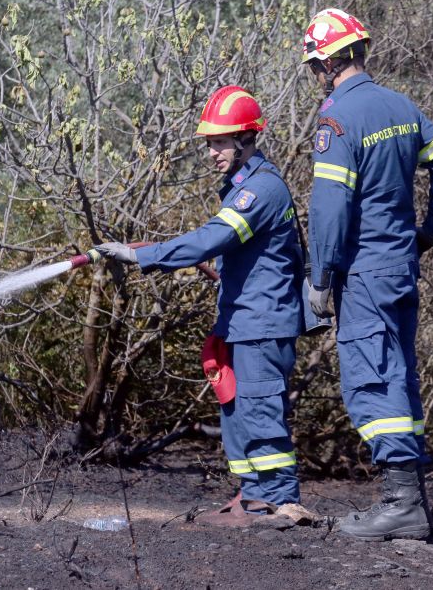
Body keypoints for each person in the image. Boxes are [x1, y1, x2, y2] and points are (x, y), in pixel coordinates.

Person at [97, 86, 305, 512]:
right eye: (209, 144)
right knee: (238, 415)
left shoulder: (261, 190)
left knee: (262, 416)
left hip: (262, 326)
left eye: (220, 143)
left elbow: (212, 239)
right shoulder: (241, 188)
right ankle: (253, 499)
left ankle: (283, 504)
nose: (212, 153)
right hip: (242, 323)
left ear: (247, 140)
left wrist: (140, 255)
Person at [301, 8, 433, 540]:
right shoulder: (400, 106)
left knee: (372, 380)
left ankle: (401, 505)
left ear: (326, 64)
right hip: (401, 268)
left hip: (365, 274)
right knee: (400, 376)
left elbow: (329, 209)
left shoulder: (338, 119)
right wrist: (429, 231)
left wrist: (321, 278)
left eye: (313, 67)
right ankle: (410, 500)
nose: (313, 76)